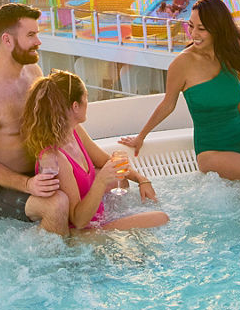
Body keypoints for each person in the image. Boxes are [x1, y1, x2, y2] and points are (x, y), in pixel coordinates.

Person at [120, 0, 240, 186]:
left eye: (202, 29)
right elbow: (167, 105)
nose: (193, 34)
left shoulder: (231, 57)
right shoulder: (182, 64)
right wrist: (140, 137)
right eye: (191, 26)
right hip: (213, 152)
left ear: (218, 29)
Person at [0, 3, 69, 233]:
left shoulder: (33, 72)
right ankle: (60, 268)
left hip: (35, 172)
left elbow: (44, 123)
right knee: (57, 205)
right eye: (31, 35)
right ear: (7, 40)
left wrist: (49, 154)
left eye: (37, 34)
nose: (38, 42)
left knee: (95, 179)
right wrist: (28, 185)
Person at [22, 70, 168, 231]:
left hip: (98, 218)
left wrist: (141, 180)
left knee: (123, 181)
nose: (87, 103)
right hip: (83, 232)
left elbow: (106, 161)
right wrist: (100, 181)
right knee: (160, 218)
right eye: (86, 98)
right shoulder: (56, 158)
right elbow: (77, 221)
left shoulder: (74, 131)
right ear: (75, 106)